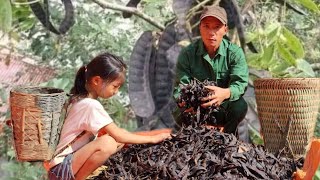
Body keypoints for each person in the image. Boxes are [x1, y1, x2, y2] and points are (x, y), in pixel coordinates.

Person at [47, 52, 171, 180]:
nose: (116, 92)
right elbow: (118, 135)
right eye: (115, 86)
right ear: (96, 80)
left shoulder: (78, 99)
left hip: (60, 168)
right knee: (108, 143)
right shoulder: (90, 105)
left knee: (115, 139)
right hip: (62, 169)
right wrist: (154, 138)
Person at [173, 5, 249, 135]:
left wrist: (225, 93)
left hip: (222, 109)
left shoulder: (235, 53)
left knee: (240, 106)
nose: (211, 32)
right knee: (177, 110)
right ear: (200, 28)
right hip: (196, 109)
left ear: (225, 29)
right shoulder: (187, 54)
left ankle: (228, 139)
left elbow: (240, 84)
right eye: (206, 26)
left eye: (217, 27)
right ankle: (191, 139)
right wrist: (184, 101)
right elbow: (180, 86)